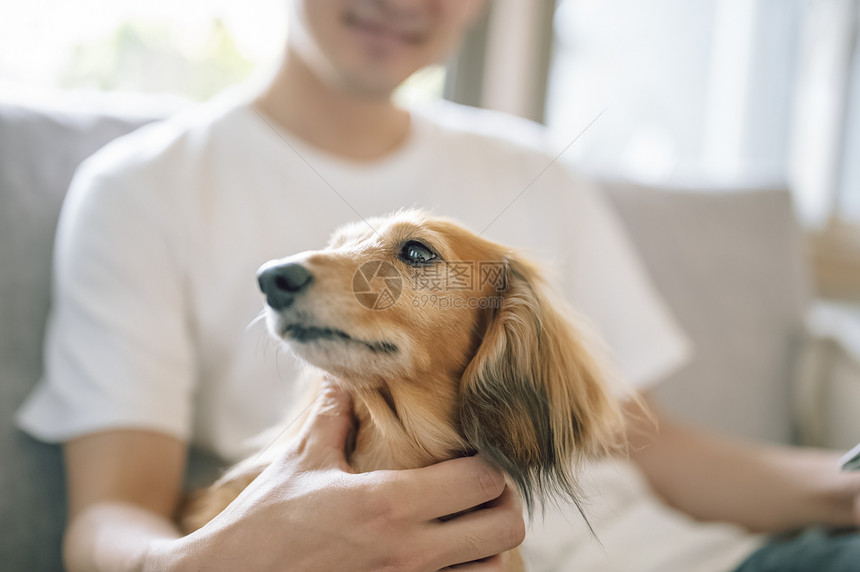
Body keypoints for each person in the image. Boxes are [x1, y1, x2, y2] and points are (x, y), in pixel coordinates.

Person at [15, 0, 860, 570]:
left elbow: (645, 439)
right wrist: (234, 554)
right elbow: (110, 516)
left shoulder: (533, 165)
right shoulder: (144, 185)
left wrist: (841, 484)